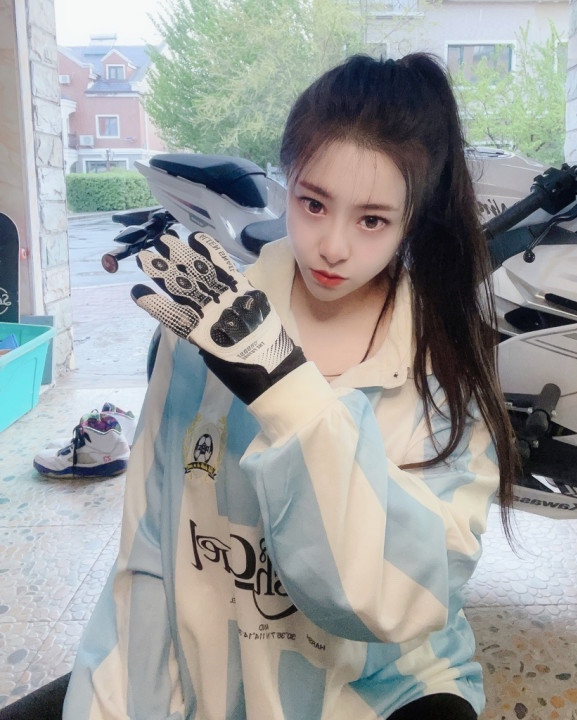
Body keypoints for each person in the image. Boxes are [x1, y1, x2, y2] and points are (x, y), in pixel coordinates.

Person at [0, 53, 517, 720]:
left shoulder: (441, 368)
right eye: (312, 203)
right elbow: (149, 546)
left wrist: (286, 392)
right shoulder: (203, 331)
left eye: (371, 220)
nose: (332, 246)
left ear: (411, 219)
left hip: (380, 690)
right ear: (284, 185)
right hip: (210, 678)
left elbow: (398, 602)